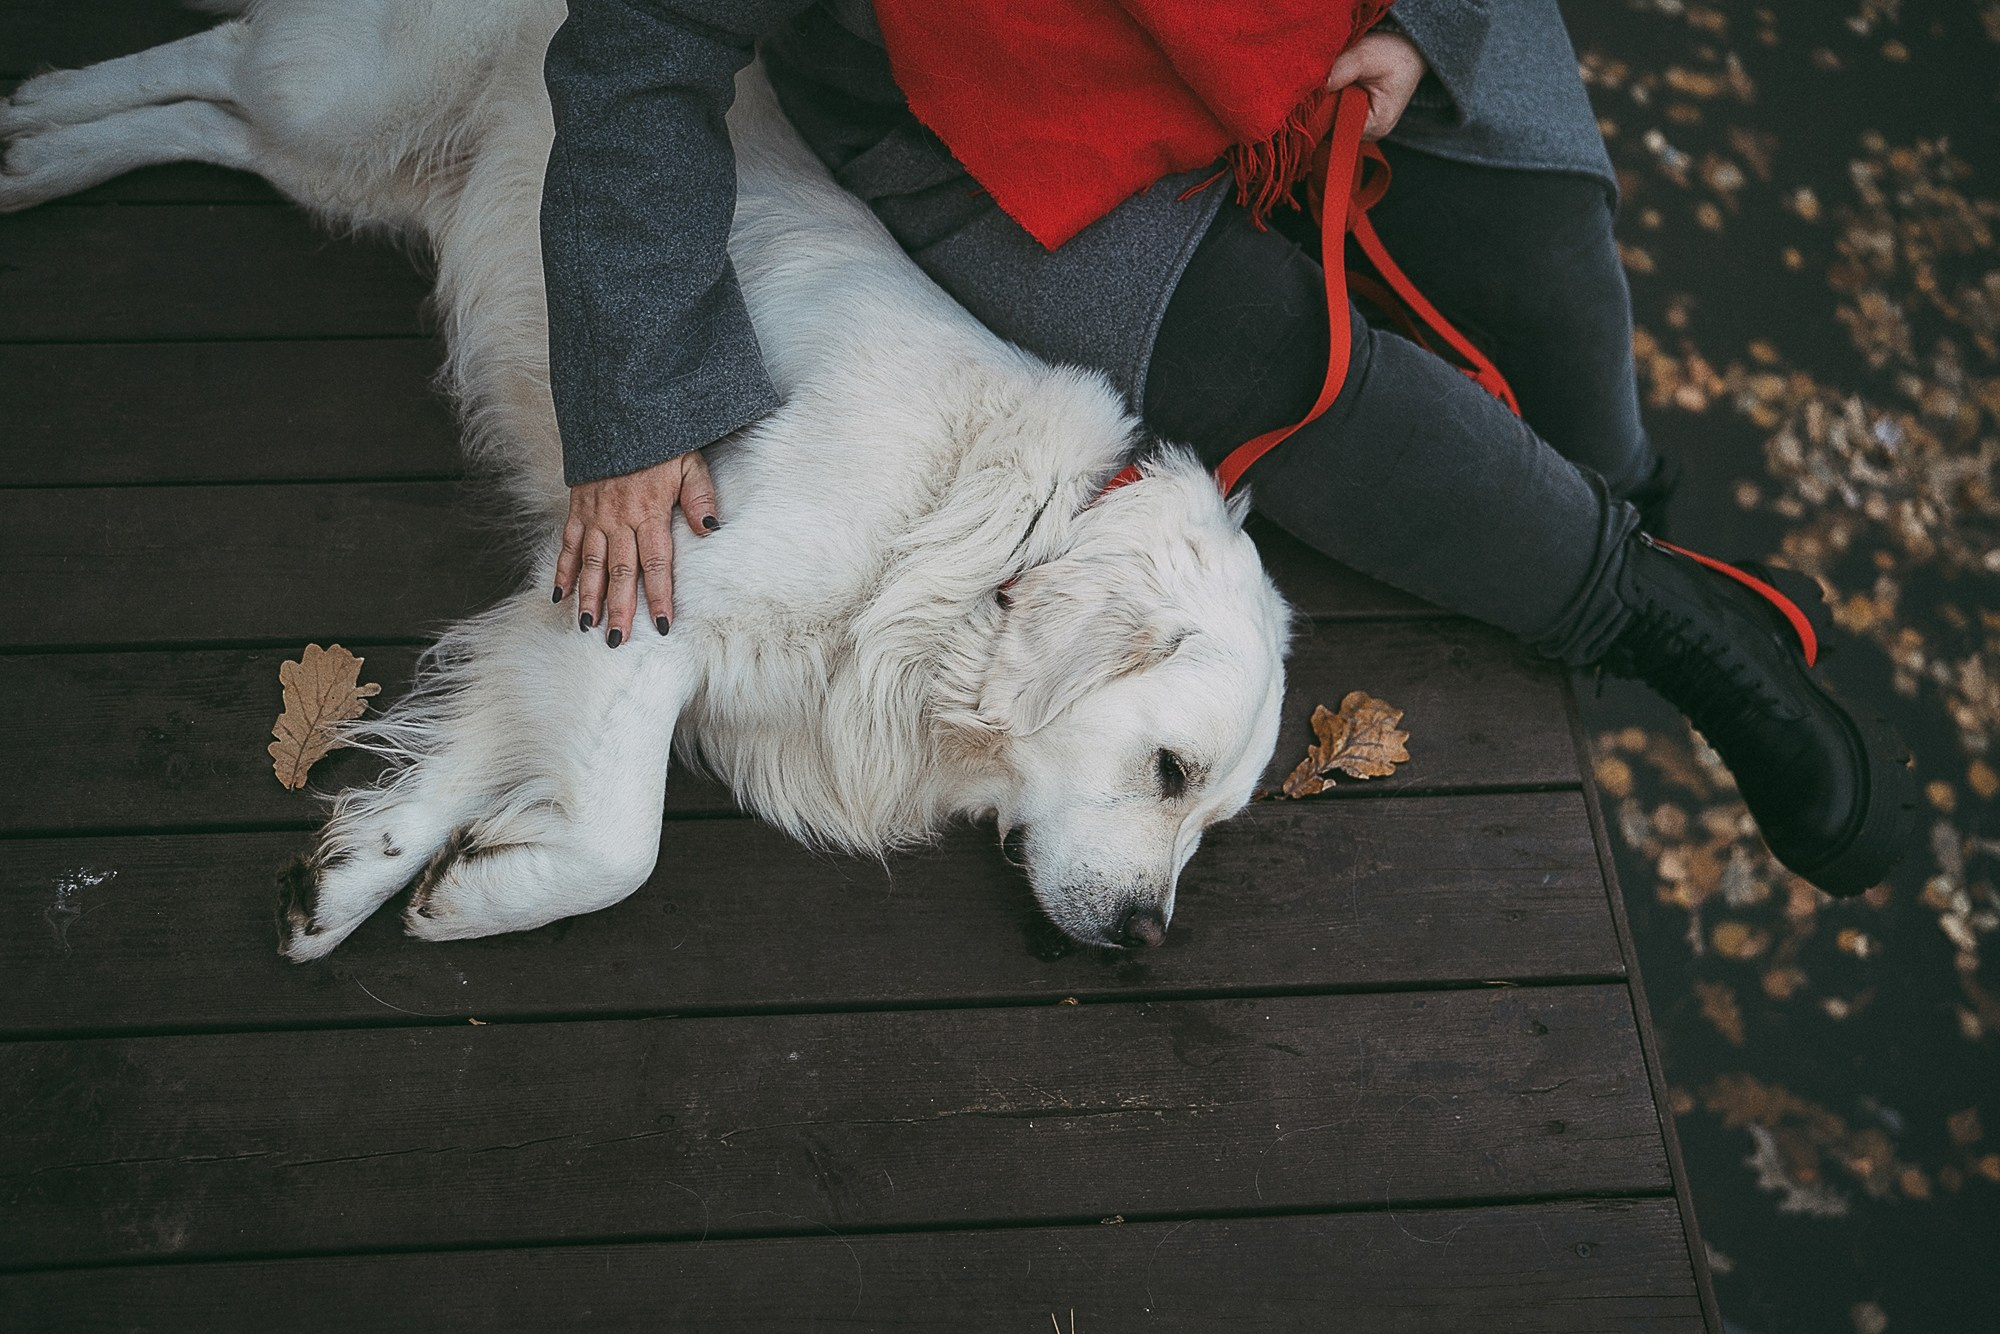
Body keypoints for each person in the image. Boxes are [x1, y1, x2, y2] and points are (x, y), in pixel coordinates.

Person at [537, 0, 1917, 896]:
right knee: (1284, 371)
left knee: (1555, 276)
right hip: (984, 105)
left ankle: (1628, 507)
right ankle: (1664, 620)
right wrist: (638, 396)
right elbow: (640, 44)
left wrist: (1433, 21)